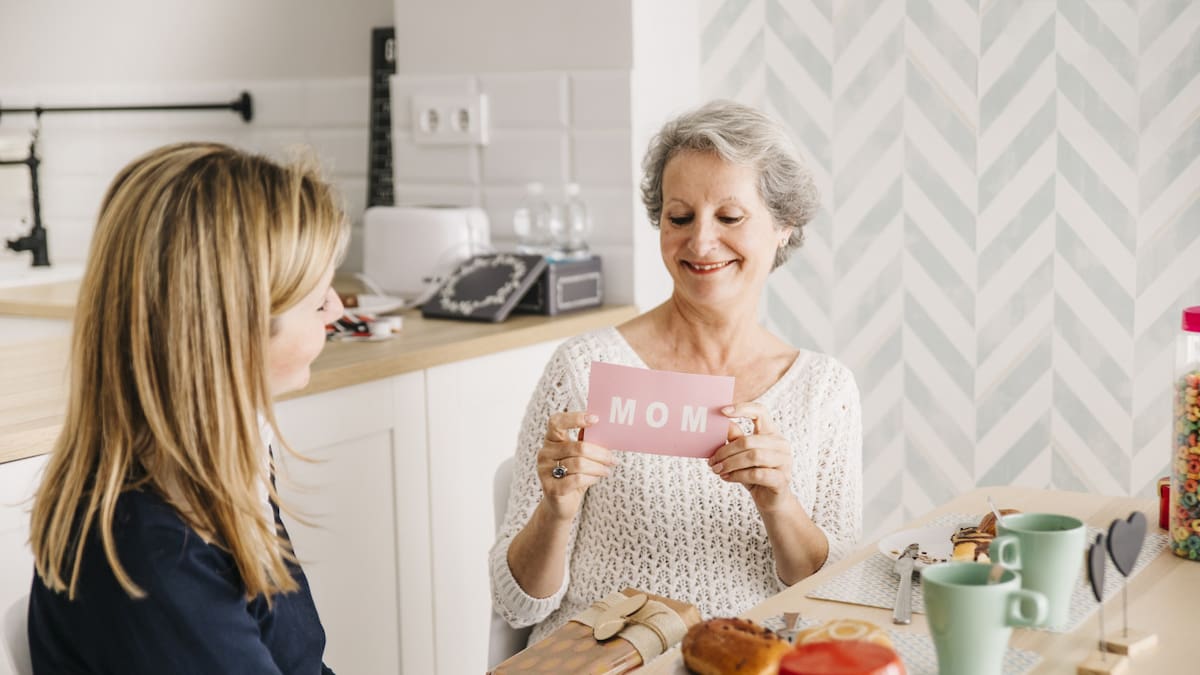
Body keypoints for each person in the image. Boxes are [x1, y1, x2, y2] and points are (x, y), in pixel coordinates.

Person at [490, 100, 863, 644]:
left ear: (783, 227)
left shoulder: (824, 391)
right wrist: (555, 509)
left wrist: (779, 502)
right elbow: (515, 603)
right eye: (679, 217)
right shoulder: (583, 368)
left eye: (730, 217)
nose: (701, 242)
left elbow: (830, 600)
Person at [27, 142, 348, 674]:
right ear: (232, 329)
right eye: (316, 300)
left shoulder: (223, 468)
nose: (336, 309)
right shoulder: (148, 558)